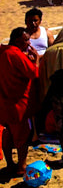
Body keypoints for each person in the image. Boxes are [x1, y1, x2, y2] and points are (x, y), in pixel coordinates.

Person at [0, 28, 38, 177]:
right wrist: (36, 60)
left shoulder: (3, 52)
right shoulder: (15, 54)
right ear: (17, 41)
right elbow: (33, 73)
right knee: (22, 137)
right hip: (18, 103)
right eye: (26, 40)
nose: (29, 43)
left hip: (3, 102)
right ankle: (21, 166)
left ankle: (10, 164)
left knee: (8, 133)